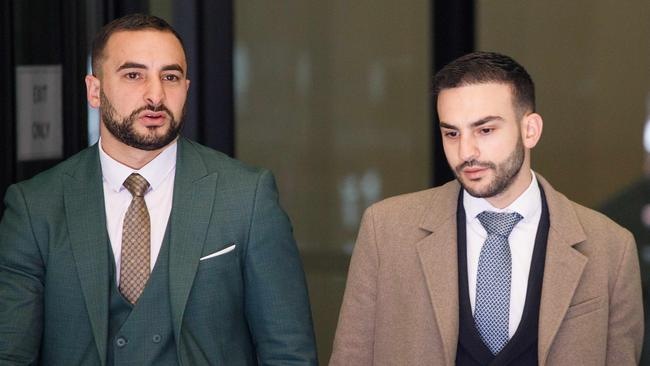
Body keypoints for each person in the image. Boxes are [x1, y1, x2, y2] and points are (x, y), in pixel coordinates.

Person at [0, 13, 317, 365]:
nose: (155, 95)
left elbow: (288, 354)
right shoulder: (35, 206)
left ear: (186, 88)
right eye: (133, 75)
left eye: (170, 76)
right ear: (94, 90)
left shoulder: (248, 196)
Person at [330, 51, 643, 365]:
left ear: (530, 130)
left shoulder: (610, 249)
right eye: (452, 133)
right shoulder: (385, 230)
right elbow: (350, 356)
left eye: (485, 130)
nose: (466, 152)